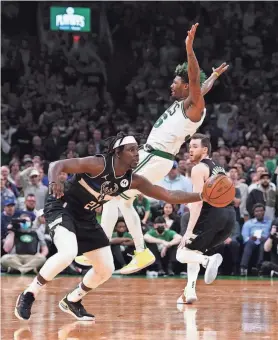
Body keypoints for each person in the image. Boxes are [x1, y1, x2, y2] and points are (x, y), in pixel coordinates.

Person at [82, 23, 229, 275]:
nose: (171, 86)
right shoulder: (188, 101)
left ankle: (102, 248)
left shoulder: (194, 106)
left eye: (175, 83)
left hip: (154, 156)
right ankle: (138, 252)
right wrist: (213, 77)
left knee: (112, 195)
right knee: (123, 202)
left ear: (186, 86)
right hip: (155, 158)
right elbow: (201, 86)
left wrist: (189, 49)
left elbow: (195, 81)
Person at [15, 132, 209, 321]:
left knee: (106, 268)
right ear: (118, 152)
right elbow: (58, 165)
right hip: (62, 208)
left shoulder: (133, 179)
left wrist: (202, 195)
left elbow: (168, 195)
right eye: (131, 150)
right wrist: (55, 181)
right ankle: (29, 294)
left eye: (137, 150)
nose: (136, 153)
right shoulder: (98, 164)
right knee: (68, 253)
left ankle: (72, 300)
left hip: (86, 217)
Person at [176, 133, 236, 304]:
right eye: (189, 147)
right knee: (193, 251)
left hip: (213, 215)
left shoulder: (198, 169)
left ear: (205, 149)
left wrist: (188, 232)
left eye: (195, 146)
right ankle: (190, 291)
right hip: (230, 217)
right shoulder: (219, 167)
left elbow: (197, 203)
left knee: (182, 253)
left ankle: (207, 260)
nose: (190, 150)